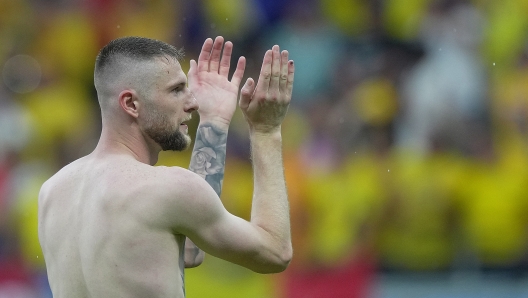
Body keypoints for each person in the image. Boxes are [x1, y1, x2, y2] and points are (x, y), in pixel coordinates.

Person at [37, 35, 295, 297]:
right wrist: (266, 131)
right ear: (131, 104)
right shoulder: (165, 188)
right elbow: (275, 252)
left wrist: (214, 121)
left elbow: (188, 251)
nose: (193, 102)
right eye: (176, 90)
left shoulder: (53, 191)